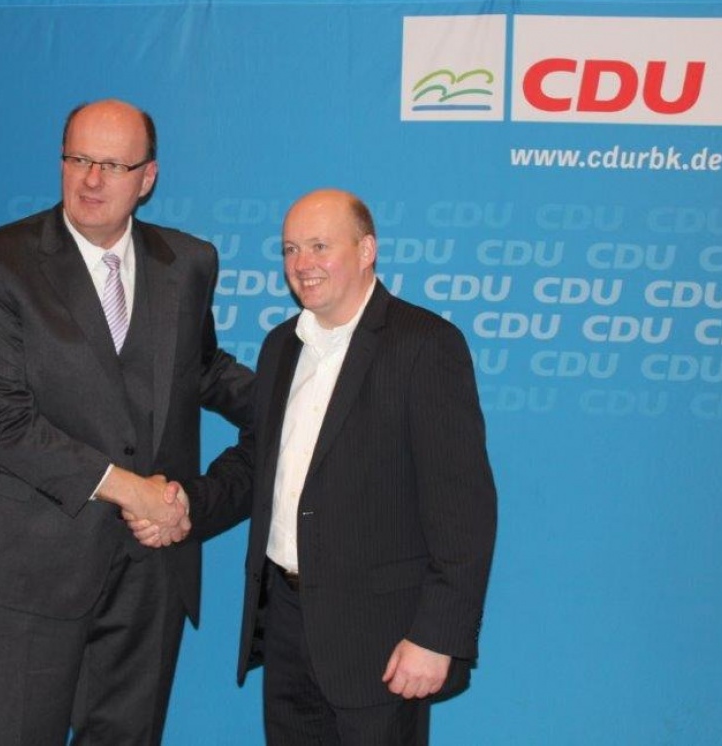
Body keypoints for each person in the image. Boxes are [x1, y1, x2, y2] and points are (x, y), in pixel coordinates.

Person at [134, 188, 497, 745]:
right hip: (285, 626)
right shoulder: (282, 345)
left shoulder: (425, 346)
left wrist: (436, 636)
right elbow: (260, 462)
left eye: (320, 246)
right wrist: (187, 507)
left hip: (382, 640)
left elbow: (464, 509)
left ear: (366, 250)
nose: (302, 263)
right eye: (290, 249)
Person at [0, 98, 254, 745]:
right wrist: (131, 489)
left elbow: (200, 368)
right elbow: (1, 422)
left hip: (150, 568)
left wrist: (304, 406)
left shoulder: (188, 262)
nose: (92, 180)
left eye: (113, 165)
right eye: (79, 159)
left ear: (147, 178)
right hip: (32, 565)